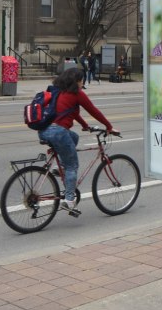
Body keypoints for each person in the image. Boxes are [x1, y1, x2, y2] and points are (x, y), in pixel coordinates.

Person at [38, 68, 118, 215]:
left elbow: (72, 112)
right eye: (82, 80)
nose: (82, 83)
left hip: (44, 130)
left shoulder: (58, 91)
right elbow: (93, 111)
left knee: (74, 137)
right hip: (58, 132)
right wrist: (108, 126)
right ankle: (69, 201)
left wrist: (85, 126)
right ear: (76, 81)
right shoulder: (77, 94)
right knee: (72, 166)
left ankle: (59, 166)